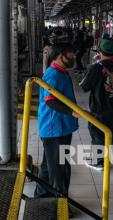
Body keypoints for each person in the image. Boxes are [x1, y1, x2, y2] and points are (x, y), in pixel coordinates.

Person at [35, 43, 79, 199]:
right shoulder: (53, 74)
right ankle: (60, 203)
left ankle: (41, 195)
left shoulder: (62, 72)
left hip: (60, 127)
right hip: (55, 129)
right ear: (60, 56)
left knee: (48, 166)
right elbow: (50, 101)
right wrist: (72, 111)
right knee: (60, 168)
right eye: (71, 55)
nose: (74, 57)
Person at [80, 38, 113, 171]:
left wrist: (94, 66)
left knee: (97, 133)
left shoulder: (97, 67)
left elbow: (85, 86)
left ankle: (99, 161)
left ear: (100, 51)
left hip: (100, 107)